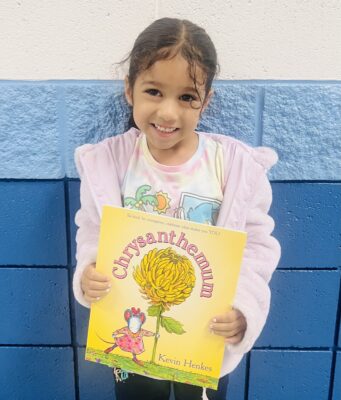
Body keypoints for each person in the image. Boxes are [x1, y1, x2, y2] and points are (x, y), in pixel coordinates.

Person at [73, 17, 281, 400]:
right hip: (131, 331)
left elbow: (256, 247)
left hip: (203, 337)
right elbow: (91, 230)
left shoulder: (234, 167)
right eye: (154, 91)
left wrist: (244, 310)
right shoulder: (108, 163)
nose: (169, 113)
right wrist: (87, 271)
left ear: (206, 101)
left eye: (187, 97)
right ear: (129, 91)